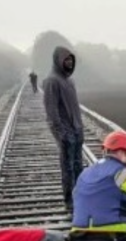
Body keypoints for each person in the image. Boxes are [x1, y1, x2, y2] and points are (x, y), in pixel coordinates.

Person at [42, 46, 84, 211]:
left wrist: (80, 128)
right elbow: (51, 111)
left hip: (76, 130)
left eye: (71, 60)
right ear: (58, 61)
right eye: (66, 60)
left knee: (78, 167)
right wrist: (61, 134)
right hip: (65, 132)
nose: (69, 63)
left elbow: (75, 107)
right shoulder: (52, 81)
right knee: (67, 168)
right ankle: (69, 201)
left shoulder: (69, 80)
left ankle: (80, 197)